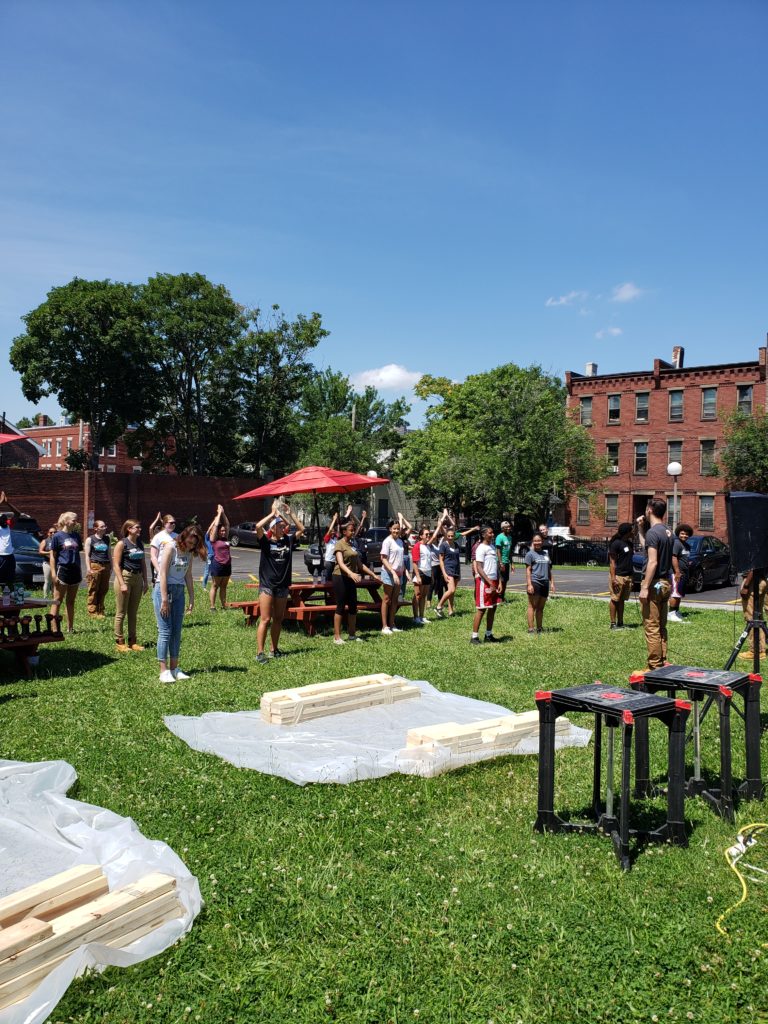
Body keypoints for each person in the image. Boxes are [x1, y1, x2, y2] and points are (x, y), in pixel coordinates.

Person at [154, 524, 206, 682]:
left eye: (194, 544)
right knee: (165, 631)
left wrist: (191, 597)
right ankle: (163, 671)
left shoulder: (190, 553)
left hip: (178, 592)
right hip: (164, 590)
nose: (191, 546)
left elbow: (188, 575)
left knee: (176, 632)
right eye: (190, 542)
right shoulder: (171, 547)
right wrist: (164, 599)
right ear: (183, 537)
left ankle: (174, 669)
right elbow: (162, 573)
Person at [255, 500, 305, 664]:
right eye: (279, 526)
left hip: (283, 586)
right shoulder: (266, 542)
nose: (283, 528)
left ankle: (273, 649)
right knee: (265, 619)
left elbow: (302, 529)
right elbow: (257, 527)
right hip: (267, 585)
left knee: (278, 619)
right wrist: (272, 514)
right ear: (273, 528)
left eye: (283, 526)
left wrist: (290, 514)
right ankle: (260, 652)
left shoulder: (288, 541)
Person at [638, 499, 673, 671]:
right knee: (661, 625)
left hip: (654, 583)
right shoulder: (667, 531)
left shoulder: (653, 532)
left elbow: (652, 561)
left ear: (649, 510)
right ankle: (663, 659)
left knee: (651, 626)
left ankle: (654, 665)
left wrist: (644, 587)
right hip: (666, 582)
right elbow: (648, 547)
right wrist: (640, 529)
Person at [332, 518, 380, 644]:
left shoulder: (352, 545)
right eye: (351, 530)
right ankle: (337, 637)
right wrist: (351, 573)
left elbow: (360, 564)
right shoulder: (339, 544)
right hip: (340, 577)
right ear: (344, 531)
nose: (353, 532)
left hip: (351, 578)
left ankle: (352, 634)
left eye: (353, 530)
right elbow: (341, 563)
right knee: (341, 607)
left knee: (353, 606)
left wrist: (373, 575)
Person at [113, 519, 148, 652]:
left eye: (139, 527)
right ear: (129, 529)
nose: (139, 530)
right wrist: (122, 583)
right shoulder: (122, 544)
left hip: (137, 578)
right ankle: (119, 642)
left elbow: (143, 563)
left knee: (133, 612)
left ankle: (133, 642)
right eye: (137, 527)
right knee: (121, 612)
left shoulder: (139, 543)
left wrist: (145, 581)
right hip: (125, 577)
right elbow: (116, 565)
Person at [49, 512, 83, 633]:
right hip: (63, 570)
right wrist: (53, 574)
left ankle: (70, 628)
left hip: (75, 571)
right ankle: (54, 628)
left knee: (71, 601)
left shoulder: (76, 536)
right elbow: (52, 556)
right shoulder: (57, 536)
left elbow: (78, 552)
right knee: (57, 600)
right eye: (74, 520)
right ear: (67, 521)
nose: (76, 522)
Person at [471, 527, 501, 644]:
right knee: (482, 609)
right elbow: (479, 567)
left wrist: (498, 582)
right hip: (485, 582)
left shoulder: (492, 547)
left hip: (494, 581)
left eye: (493, 532)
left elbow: (496, 566)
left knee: (493, 607)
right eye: (490, 532)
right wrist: (489, 583)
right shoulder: (480, 548)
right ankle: (474, 637)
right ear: (483, 535)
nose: (492, 534)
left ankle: (488, 635)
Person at [380, 518, 405, 635]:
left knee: (395, 600)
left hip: (399, 574)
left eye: (398, 529)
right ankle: (384, 626)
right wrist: (393, 572)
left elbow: (401, 559)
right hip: (388, 573)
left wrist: (406, 572)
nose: (396, 531)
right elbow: (383, 558)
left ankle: (392, 624)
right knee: (387, 599)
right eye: (394, 528)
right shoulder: (387, 541)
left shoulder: (400, 541)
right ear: (390, 529)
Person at [608, 522, 635, 630]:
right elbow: (612, 562)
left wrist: (632, 578)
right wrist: (613, 578)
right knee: (615, 599)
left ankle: (620, 622)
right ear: (627, 532)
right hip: (618, 576)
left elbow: (629, 561)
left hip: (628, 576)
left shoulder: (630, 544)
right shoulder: (616, 544)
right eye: (632, 530)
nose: (634, 532)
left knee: (622, 600)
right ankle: (613, 624)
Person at [525, 533, 553, 634]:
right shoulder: (530, 554)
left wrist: (552, 583)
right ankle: (531, 629)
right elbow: (528, 570)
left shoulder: (545, 554)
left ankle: (539, 628)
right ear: (533, 542)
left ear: (542, 541)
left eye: (539, 540)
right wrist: (529, 584)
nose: (537, 542)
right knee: (532, 606)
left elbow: (549, 570)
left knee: (541, 608)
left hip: (545, 583)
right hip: (535, 582)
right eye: (535, 541)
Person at [738, 569, 767, 661]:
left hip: (753, 582)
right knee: (758, 617)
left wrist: (746, 585)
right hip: (760, 580)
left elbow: (754, 568)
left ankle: (755, 651)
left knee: (751, 618)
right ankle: (761, 650)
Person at [207, 505, 232, 611]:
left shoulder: (226, 538)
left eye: (224, 531)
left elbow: (227, 524)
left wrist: (223, 513)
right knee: (215, 585)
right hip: (217, 564)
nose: (223, 532)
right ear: (217, 532)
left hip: (227, 565)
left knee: (224, 586)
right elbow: (216, 525)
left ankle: (223, 604)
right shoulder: (214, 539)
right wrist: (219, 514)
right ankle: (212, 606)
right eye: (221, 531)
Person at [84, 520, 111, 618]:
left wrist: (111, 566)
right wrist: (88, 568)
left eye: (105, 526)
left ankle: (100, 609)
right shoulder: (90, 539)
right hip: (95, 565)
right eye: (102, 526)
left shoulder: (107, 539)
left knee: (104, 589)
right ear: (96, 528)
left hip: (106, 565)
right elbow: (87, 555)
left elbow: (109, 553)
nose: (105, 528)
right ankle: (92, 611)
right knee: (93, 588)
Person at [668, 523, 693, 623]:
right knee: (675, 593)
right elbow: (673, 557)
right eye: (682, 533)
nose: (684, 536)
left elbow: (684, 558)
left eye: (686, 534)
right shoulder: (676, 543)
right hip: (676, 573)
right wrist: (677, 572)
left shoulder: (687, 546)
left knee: (679, 593)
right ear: (678, 533)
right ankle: (671, 613)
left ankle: (676, 611)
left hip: (684, 573)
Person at [436, 526, 463, 617]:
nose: (450, 537)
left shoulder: (456, 545)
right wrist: (444, 573)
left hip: (456, 570)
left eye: (452, 536)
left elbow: (457, 560)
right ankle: (439, 606)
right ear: (446, 536)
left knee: (453, 592)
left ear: (454, 536)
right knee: (451, 590)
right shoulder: (444, 545)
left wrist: (459, 574)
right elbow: (441, 560)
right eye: (449, 536)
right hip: (448, 570)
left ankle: (451, 610)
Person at [411, 526, 433, 626]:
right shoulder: (417, 546)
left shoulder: (428, 546)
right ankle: (415, 617)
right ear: (421, 536)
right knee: (417, 595)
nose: (428, 536)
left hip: (428, 573)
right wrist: (418, 576)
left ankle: (422, 616)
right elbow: (415, 562)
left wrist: (431, 574)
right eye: (426, 534)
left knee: (424, 596)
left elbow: (429, 562)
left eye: (429, 534)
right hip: (420, 572)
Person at [150, 514, 178, 586]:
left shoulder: (177, 536)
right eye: (171, 523)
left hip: (173, 572)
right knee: (160, 595)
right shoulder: (158, 537)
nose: (173, 524)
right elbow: (153, 556)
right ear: (165, 524)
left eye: (174, 523)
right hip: (161, 571)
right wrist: (159, 571)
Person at [495, 521, 515, 601]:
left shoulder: (510, 537)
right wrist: (501, 563)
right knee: (500, 580)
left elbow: (509, 552)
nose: (509, 528)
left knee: (505, 580)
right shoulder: (499, 537)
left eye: (509, 526)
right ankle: (498, 597)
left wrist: (512, 563)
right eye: (507, 527)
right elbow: (498, 551)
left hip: (507, 562)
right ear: (502, 528)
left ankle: (502, 597)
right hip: (501, 562)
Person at [38, 526, 56, 599]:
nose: (53, 533)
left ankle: (55, 598)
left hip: (56, 564)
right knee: (48, 581)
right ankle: (45, 598)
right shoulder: (45, 541)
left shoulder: (58, 541)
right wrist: (49, 552)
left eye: (55, 532)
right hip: (47, 563)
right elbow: (40, 551)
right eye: (51, 532)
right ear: (48, 533)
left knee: (55, 582)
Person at [0, 511, 15, 590]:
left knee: (10, 576)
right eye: (2, 520)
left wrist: (7, 503)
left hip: (10, 555)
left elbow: (17, 514)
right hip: (1, 555)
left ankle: (10, 593)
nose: (4, 521)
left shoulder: (8, 526)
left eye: (5, 520)